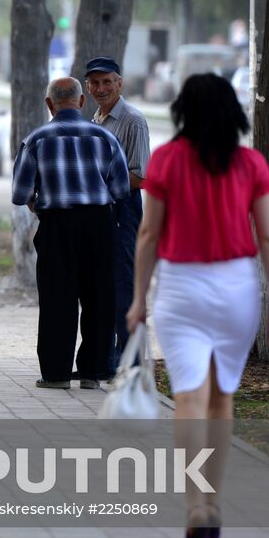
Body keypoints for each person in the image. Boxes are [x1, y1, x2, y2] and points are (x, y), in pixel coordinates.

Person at [126, 73, 269, 538]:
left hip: (181, 287)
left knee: (189, 399)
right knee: (222, 400)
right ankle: (213, 503)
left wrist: (138, 299)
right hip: (236, 285)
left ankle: (195, 504)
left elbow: (148, 235)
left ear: (183, 111)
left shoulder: (167, 161)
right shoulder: (250, 163)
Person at [11, 77, 130, 390]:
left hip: (56, 226)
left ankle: (56, 374)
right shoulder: (105, 138)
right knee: (100, 300)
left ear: (50, 104)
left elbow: (20, 193)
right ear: (81, 102)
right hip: (99, 227)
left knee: (56, 300)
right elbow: (120, 189)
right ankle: (92, 373)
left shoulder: (36, 140)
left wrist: (39, 203)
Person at [84, 56, 151, 370]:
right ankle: (111, 359)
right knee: (105, 286)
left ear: (120, 83)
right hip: (101, 210)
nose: (101, 88)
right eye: (95, 83)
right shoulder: (96, 119)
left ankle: (131, 363)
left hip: (124, 208)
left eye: (107, 82)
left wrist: (98, 181)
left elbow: (141, 176)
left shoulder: (132, 120)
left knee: (123, 286)